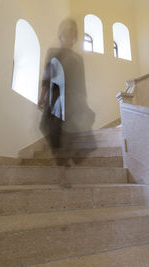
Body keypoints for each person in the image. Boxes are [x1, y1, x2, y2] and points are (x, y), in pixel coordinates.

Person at [38, 18, 95, 188]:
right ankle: (62, 167)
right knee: (53, 132)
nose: (69, 36)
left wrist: (83, 101)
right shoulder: (53, 52)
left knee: (70, 134)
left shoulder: (78, 58)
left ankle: (63, 166)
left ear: (74, 37)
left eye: (72, 33)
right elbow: (47, 75)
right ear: (61, 35)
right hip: (56, 98)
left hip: (73, 100)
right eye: (66, 33)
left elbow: (81, 81)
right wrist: (42, 96)